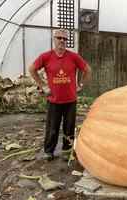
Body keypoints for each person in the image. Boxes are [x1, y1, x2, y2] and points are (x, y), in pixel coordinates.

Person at [29, 29, 91, 161]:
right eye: (59, 38)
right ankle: (48, 152)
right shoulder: (45, 57)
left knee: (69, 128)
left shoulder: (74, 57)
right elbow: (32, 69)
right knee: (52, 128)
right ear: (54, 39)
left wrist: (81, 85)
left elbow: (87, 69)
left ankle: (66, 152)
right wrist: (42, 85)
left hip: (70, 101)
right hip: (54, 101)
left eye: (64, 39)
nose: (62, 41)